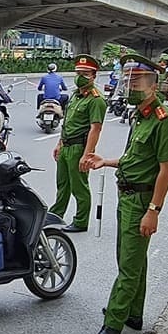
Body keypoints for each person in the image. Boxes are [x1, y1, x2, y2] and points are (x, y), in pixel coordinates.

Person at [82, 55, 168, 334]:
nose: (130, 84)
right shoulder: (141, 114)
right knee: (133, 259)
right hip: (126, 195)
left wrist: (154, 210)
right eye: (128, 79)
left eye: (136, 80)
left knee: (128, 265)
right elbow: (136, 158)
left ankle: (114, 321)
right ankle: (134, 313)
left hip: (141, 200)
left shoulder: (165, 121)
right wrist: (107, 162)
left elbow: (166, 168)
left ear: (154, 84)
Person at [50, 55, 106, 232]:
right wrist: (59, 143)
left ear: (94, 76)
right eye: (78, 72)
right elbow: (67, 122)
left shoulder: (96, 100)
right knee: (62, 184)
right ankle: (56, 215)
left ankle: (81, 221)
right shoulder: (75, 95)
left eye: (85, 73)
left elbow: (95, 129)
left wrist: (87, 154)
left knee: (79, 187)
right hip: (66, 146)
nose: (80, 76)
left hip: (79, 148)